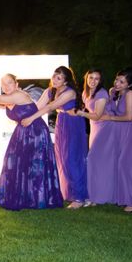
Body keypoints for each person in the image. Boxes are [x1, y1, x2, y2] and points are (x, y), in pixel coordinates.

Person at [0, 74, 63, 211]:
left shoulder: (20, 95)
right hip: (21, 132)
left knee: (34, 165)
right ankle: (24, 197)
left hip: (36, 132)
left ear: (16, 84)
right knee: (16, 164)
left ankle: (39, 199)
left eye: (9, 83)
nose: (6, 86)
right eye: (3, 84)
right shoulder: (8, 99)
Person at [83, 67, 132, 208]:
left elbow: (129, 117)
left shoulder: (130, 94)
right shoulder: (112, 92)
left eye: (122, 82)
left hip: (129, 131)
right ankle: (105, 195)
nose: (117, 84)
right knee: (111, 163)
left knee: (126, 165)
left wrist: (109, 117)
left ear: (129, 84)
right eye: (117, 80)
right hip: (115, 130)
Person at [36, 66, 88, 209]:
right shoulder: (50, 90)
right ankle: (69, 193)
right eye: (54, 76)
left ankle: (80, 197)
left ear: (66, 81)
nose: (54, 80)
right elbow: (37, 106)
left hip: (73, 124)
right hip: (62, 123)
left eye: (59, 78)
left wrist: (32, 117)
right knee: (61, 158)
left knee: (72, 158)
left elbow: (50, 107)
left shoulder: (69, 92)